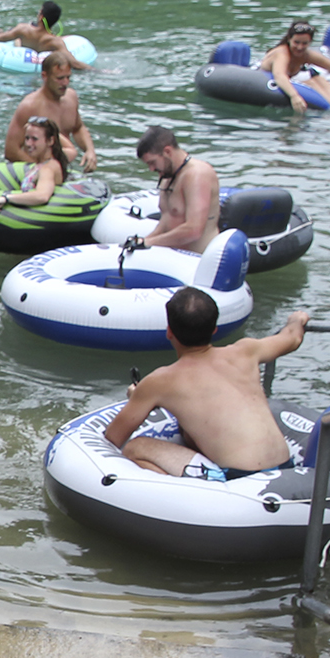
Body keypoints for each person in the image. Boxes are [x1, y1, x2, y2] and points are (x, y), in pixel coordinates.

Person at [104, 287, 310, 479]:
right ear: (214, 330)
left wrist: (140, 397)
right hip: (284, 468)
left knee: (135, 448)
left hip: (238, 477)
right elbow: (292, 339)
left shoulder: (160, 381)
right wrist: (296, 319)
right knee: (188, 433)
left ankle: (185, 501)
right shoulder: (246, 351)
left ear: (169, 332)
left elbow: (113, 437)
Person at [121, 125, 219, 254]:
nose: (151, 169)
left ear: (167, 151)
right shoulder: (167, 176)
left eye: (152, 162)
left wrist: (148, 243)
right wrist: (142, 241)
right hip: (172, 256)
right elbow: (165, 223)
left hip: (198, 259)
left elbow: (194, 230)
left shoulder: (197, 175)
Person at [4, 52, 96, 172]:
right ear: (45, 76)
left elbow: (78, 128)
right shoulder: (30, 106)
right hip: (35, 171)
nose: (65, 83)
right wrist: (42, 169)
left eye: (68, 77)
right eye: (60, 78)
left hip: (60, 167)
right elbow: (11, 151)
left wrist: (90, 151)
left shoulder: (71, 98)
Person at [260, 19, 330, 112]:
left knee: (318, 79)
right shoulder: (282, 53)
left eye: (304, 43)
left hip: (291, 80)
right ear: (289, 39)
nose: (300, 47)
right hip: (267, 81)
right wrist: (294, 96)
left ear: (310, 42)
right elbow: (280, 76)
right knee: (311, 83)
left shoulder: (306, 55)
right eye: (296, 42)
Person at [0, 116, 68, 216]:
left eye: (34, 139)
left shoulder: (48, 168)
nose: (29, 143)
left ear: (50, 141)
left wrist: (7, 198)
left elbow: (42, 196)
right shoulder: (42, 164)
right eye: (27, 138)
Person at [0, 0, 91, 70]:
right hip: (43, 62)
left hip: (22, 61)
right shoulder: (55, 42)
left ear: (41, 16)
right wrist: (97, 71)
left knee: (17, 37)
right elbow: (74, 63)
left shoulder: (23, 29)